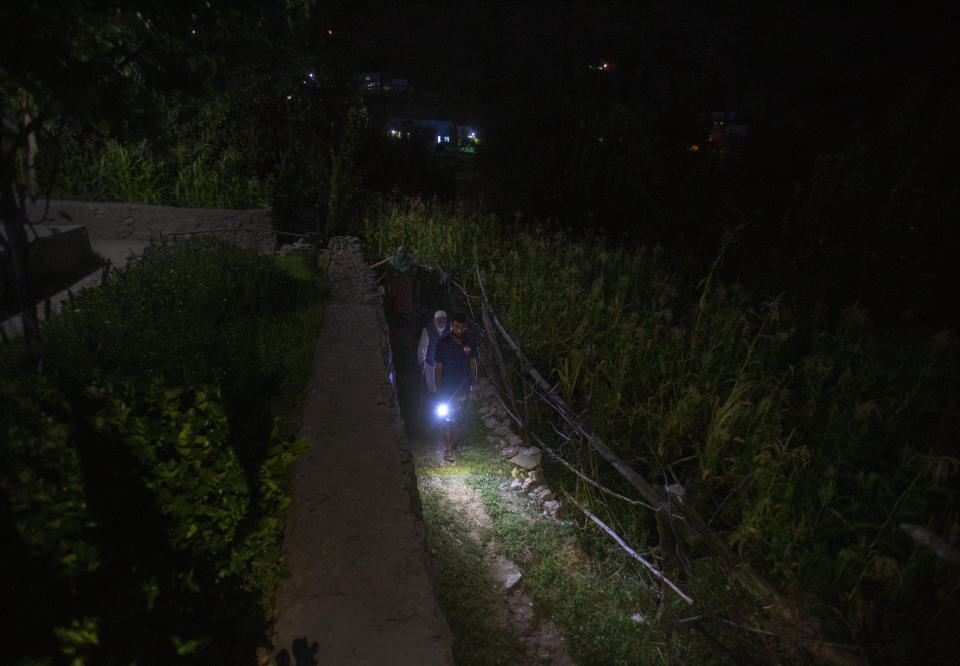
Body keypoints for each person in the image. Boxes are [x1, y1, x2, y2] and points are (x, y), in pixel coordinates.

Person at [434, 312, 478, 462]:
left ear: (465, 327)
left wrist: (473, 386)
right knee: (446, 418)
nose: (459, 330)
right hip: (447, 389)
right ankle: (448, 449)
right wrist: (438, 389)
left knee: (460, 416)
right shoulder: (442, 344)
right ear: (452, 325)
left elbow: (473, 365)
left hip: (463, 388)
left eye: (462, 327)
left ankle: (458, 441)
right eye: (457, 326)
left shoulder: (470, 343)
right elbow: (438, 368)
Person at [417, 310, 450, 395]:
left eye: (443, 320)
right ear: (434, 320)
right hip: (431, 365)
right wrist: (422, 363)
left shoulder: (449, 329)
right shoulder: (428, 330)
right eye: (439, 320)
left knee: (446, 387)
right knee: (433, 388)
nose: (441, 322)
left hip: (445, 364)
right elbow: (422, 348)